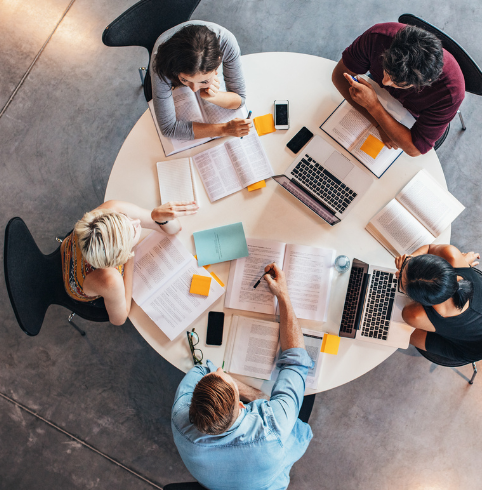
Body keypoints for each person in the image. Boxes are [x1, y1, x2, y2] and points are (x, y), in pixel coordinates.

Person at [171, 263, 315, 490]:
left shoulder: (181, 419)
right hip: (270, 478)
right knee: (309, 393)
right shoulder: (273, 429)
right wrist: (283, 296)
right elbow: (296, 361)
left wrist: (254, 393)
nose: (219, 370)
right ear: (242, 405)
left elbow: (201, 369)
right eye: (224, 375)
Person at [331, 22, 465, 157]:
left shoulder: (450, 94)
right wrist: (379, 124)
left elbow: (414, 149)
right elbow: (338, 76)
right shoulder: (377, 36)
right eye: (386, 70)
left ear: (423, 83)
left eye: (397, 82)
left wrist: (373, 107)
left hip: (413, 116)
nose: (385, 81)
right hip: (379, 97)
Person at [61, 200, 197, 326]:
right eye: (132, 233)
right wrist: (131, 256)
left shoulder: (111, 209)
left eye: (126, 218)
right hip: (76, 286)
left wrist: (159, 219)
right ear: (121, 256)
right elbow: (119, 319)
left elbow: (174, 229)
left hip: (73, 250)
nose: (137, 221)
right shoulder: (110, 279)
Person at [396, 244, 482, 362]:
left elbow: (429, 249)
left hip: (479, 348)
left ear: (420, 300)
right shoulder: (452, 254)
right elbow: (429, 248)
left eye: (399, 280)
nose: (397, 273)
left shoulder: (414, 315)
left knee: (403, 333)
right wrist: (409, 260)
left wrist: (407, 268)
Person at [150, 20, 252, 140]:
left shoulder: (226, 42)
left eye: (203, 81)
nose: (194, 89)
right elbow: (168, 129)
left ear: (218, 63)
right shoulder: (161, 63)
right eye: (185, 79)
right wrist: (225, 129)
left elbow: (239, 100)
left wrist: (213, 96)